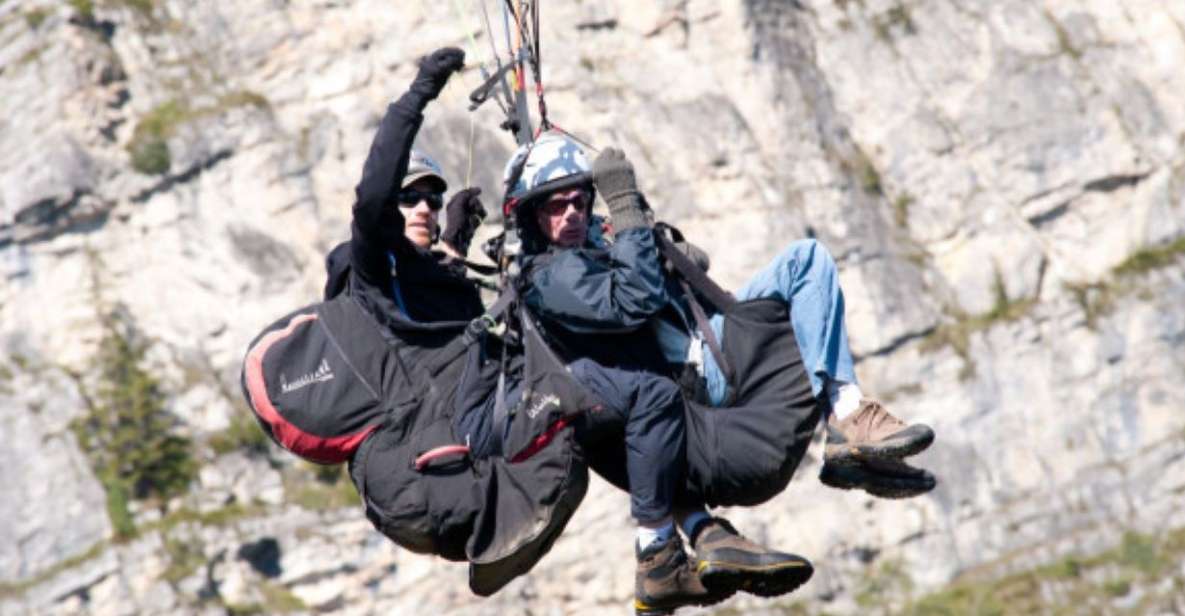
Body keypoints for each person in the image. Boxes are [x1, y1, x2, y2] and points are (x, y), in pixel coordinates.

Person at [331, 47, 735, 615]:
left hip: (491, 413)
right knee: (640, 391)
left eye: (431, 197)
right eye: (409, 198)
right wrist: (420, 92)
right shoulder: (371, 275)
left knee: (618, 391)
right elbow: (372, 199)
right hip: (465, 435)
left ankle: (694, 522)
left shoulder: (432, 281)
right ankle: (657, 555)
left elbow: (448, 326)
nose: (422, 207)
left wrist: (455, 245)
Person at [501, 131, 938, 602]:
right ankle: (846, 421)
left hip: (706, 342)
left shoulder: (583, 249)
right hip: (696, 377)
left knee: (807, 266)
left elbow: (651, 278)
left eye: (579, 201)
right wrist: (624, 205)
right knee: (803, 263)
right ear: (532, 215)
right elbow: (633, 300)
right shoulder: (550, 276)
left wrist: (657, 248)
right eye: (555, 206)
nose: (571, 213)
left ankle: (847, 418)